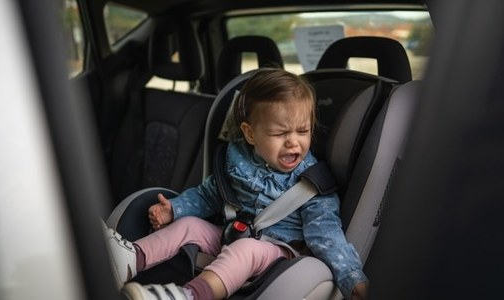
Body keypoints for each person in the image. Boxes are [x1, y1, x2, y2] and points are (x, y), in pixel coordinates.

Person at [104, 68, 369, 300]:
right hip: (231, 234)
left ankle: (188, 294)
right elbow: (209, 195)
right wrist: (175, 209)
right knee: (189, 225)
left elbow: (327, 236)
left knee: (246, 249)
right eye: (280, 133)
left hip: (279, 254)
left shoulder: (312, 184)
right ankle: (129, 259)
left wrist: (351, 277)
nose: (293, 142)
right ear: (250, 134)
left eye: (303, 131)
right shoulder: (236, 159)